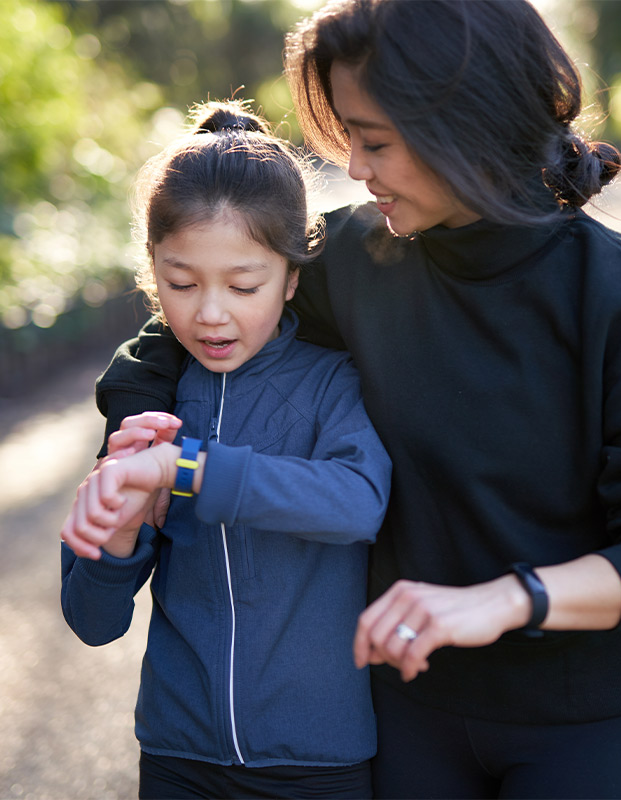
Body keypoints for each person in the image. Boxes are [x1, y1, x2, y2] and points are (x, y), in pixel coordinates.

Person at [93, 2, 621, 798]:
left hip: (581, 719)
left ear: (464, 126)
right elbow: (193, 319)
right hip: (404, 716)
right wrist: (132, 441)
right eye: (348, 140)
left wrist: (509, 600)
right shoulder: (359, 258)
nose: (356, 169)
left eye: (373, 142)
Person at [60, 99, 392, 800]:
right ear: (153, 275)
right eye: (181, 284)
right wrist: (118, 536)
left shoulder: (333, 382)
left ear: (293, 276)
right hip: (178, 756)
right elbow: (92, 622)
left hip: (320, 764)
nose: (211, 312)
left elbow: (358, 503)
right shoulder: (150, 407)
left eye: (244, 285)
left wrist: (189, 471)